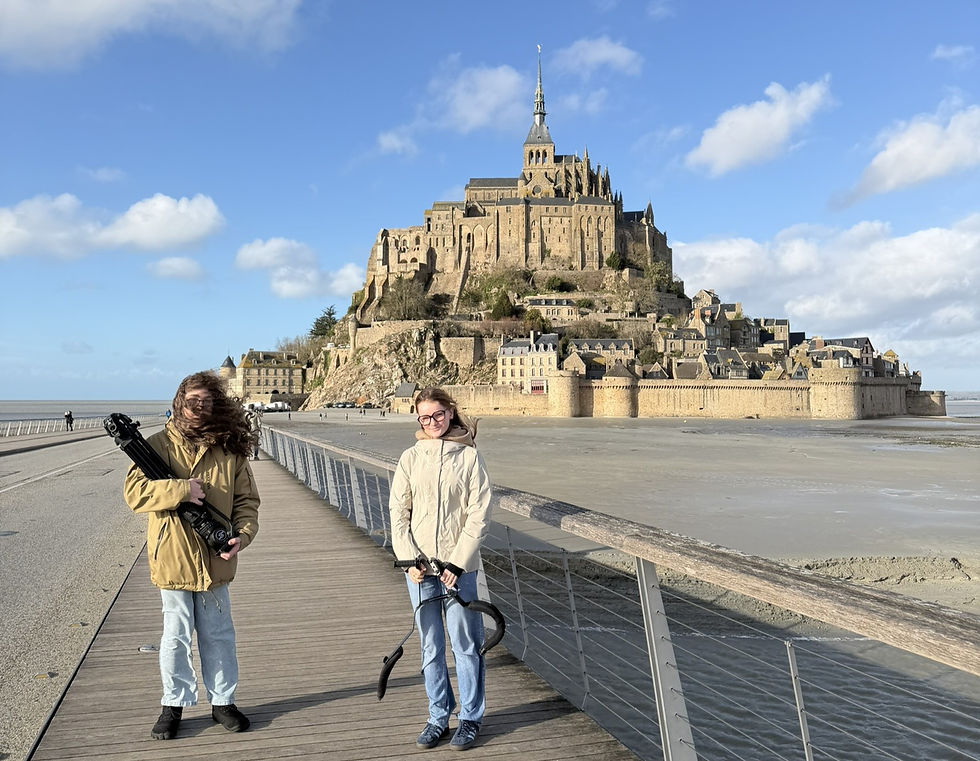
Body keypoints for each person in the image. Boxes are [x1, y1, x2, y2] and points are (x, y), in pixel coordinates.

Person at [123, 371, 260, 741]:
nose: (198, 408)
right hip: (173, 556)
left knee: (219, 635)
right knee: (176, 635)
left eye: (206, 402)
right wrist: (181, 490)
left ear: (216, 405)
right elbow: (134, 495)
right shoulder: (154, 446)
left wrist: (242, 536)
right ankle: (173, 704)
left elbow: (247, 502)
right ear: (178, 402)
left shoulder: (229, 449)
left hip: (218, 559)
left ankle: (223, 702)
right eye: (192, 401)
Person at [388, 387, 493, 751]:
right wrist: (409, 560)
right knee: (430, 646)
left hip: (458, 570)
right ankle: (438, 715)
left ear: (450, 413)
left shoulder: (469, 458)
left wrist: (457, 562)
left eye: (438, 415)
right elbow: (398, 514)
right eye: (424, 417)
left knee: (465, 645)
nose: (431, 422)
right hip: (419, 571)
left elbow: (479, 514)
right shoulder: (410, 458)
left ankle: (470, 717)